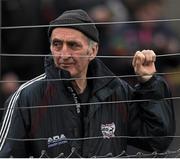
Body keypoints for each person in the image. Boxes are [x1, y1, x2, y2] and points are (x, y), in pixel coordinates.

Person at [0, 9, 175, 158]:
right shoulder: (26, 96)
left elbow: (157, 142)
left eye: (73, 45)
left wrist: (149, 84)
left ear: (93, 51)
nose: (64, 54)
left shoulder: (117, 91)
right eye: (57, 44)